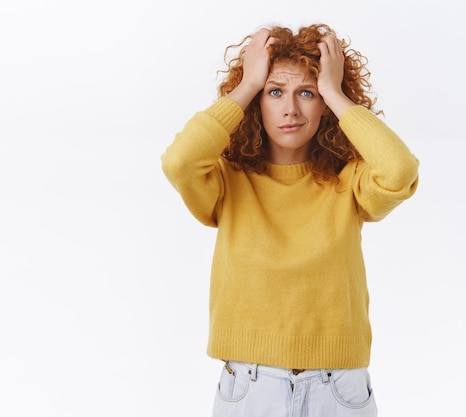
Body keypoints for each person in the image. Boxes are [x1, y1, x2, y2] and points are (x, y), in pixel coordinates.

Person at [161, 23, 419, 417]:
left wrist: (334, 91)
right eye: (275, 92)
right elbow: (179, 162)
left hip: (338, 390)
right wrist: (247, 85)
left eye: (307, 93)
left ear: (325, 106)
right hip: (249, 386)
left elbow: (399, 171)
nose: (290, 109)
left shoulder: (349, 181)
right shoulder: (228, 181)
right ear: (257, 103)